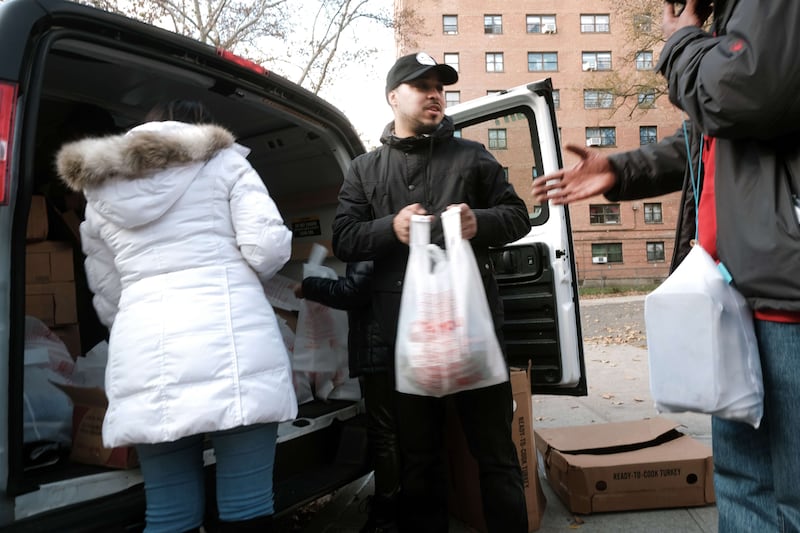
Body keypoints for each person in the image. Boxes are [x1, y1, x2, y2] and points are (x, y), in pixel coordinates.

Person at [532, 1, 800, 530]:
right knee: (743, 484)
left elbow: (741, 93)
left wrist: (680, 40)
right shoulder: (731, 22)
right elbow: (707, 136)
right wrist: (618, 170)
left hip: (788, 301)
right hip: (735, 298)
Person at [56, 99, 297, 533]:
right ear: (203, 129)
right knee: (246, 507)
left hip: (145, 353)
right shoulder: (227, 164)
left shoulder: (101, 190)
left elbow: (107, 292)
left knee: (169, 513)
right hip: (235, 347)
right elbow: (267, 250)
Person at [332, 52, 531, 533]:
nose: (435, 94)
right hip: (407, 343)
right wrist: (390, 228)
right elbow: (342, 237)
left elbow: (518, 215)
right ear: (393, 97)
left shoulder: (473, 156)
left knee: (497, 457)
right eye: (421, 86)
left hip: (474, 338)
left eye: (440, 86)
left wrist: (476, 222)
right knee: (420, 463)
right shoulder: (364, 170)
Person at [294, 261, 401, 532]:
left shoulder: (366, 227)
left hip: (381, 345)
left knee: (386, 434)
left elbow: (355, 290)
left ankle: (387, 518)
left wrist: (309, 287)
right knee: (408, 433)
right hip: (405, 341)